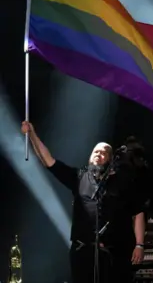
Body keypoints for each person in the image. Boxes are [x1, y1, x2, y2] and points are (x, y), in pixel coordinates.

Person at [21, 121, 146, 283]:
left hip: (113, 254)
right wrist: (31, 134)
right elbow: (48, 161)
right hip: (82, 252)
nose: (99, 154)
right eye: (96, 151)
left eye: (104, 152)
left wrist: (140, 244)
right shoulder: (79, 177)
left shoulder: (122, 182)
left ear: (111, 159)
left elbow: (138, 213)